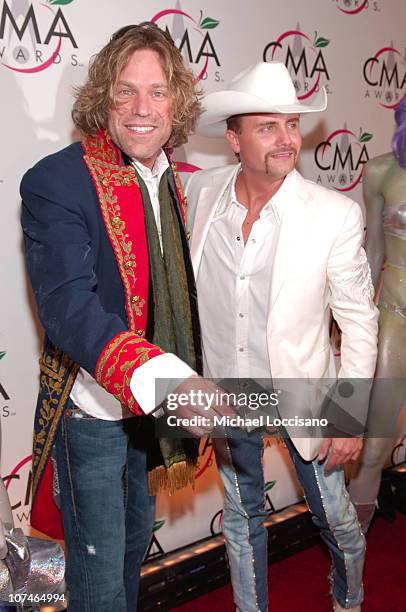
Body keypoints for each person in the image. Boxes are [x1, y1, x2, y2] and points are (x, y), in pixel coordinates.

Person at [20, 22, 234, 612]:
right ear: (102, 98)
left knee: (131, 551)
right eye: (126, 91)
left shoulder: (171, 178)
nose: (143, 108)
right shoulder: (55, 181)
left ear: (177, 102)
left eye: (158, 91)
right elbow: (68, 307)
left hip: (146, 417)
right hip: (92, 414)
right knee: (97, 583)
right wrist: (173, 382)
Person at [185, 62, 379, 612]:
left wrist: (349, 415)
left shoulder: (333, 215)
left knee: (337, 519)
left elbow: (360, 320)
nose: (287, 138)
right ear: (233, 137)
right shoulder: (202, 191)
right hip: (227, 391)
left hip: (303, 393)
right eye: (267, 126)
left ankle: (349, 598)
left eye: (291, 124)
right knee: (242, 523)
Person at [348, 97, 406, 533]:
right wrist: (353, 322)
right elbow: (372, 254)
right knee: (373, 449)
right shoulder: (381, 170)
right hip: (395, 315)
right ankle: (350, 566)